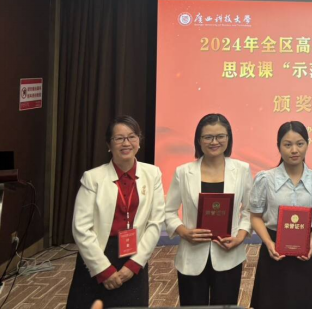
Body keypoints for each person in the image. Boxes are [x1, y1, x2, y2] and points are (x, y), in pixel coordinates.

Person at [67, 116, 165, 308]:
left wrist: (135, 264)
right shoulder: (93, 178)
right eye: (119, 138)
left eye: (132, 137)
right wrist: (103, 270)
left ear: (139, 141)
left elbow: (155, 223)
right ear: (109, 145)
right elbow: (81, 228)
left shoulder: (153, 174)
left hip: (134, 254)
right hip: (98, 254)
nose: (126, 143)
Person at [165, 114, 253, 305]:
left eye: (220, 136)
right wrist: (184, 232)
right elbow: (168, 211)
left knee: (226, 306)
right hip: (192, 255)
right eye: (208, 137)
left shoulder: (242, 169)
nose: (214, 142)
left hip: (229, 254)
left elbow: (249, 210)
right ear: (199, 140)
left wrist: (240, 236)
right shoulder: (183, 172)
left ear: (228, 138)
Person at [249, 121, 312, 309]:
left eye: (300, 144)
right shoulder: (265, 179)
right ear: (278, 146)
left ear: (307, 144)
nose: (294, 150)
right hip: (274, 250)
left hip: (306, 249)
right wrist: (268, 242)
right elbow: (255, 216)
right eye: (287, 144)